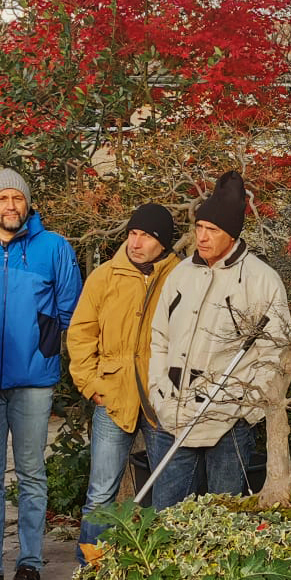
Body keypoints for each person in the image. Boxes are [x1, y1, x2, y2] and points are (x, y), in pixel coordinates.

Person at [0, 167, 82, 580]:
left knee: (31, 473)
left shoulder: (54, 248)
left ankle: (29, 564)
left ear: (28, 203)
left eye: (17, 198)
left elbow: (71, 309)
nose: (11, 206)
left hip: (33, 379)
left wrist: (51, 348)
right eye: (2, 198)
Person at [145, 171, 290, 509]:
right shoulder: (180, 274)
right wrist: (158, 391)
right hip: (175, 415)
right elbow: (159, 337)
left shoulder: (261, 281)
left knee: (223, 518)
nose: (203, 237)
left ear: (232, 234)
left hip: (228, 423)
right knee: (167, 515)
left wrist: (244, 410)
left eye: (213, 230)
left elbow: (275, 353)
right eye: (199, 228)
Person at [69, 203, 182, 556]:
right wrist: (91, 385)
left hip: (160, 398)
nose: (136, 242)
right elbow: (81, 333)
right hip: (113, 396)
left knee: (169, 489)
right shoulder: (104, 276)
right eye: (133, 233)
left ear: (162, 243)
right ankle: (91, 565)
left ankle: (160, 564)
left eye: (146, 236)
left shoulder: (181, 276)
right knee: (102, 490)